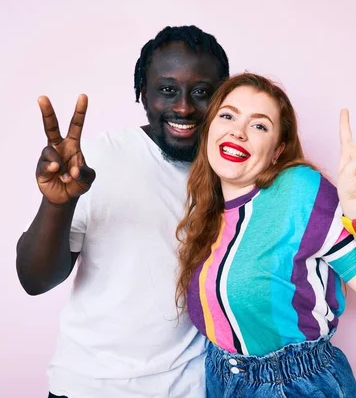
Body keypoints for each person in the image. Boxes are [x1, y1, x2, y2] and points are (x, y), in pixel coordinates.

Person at [15, 25, 230, 398]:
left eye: (201, 92)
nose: (182, 106)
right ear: (142, 93)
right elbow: (35, 280)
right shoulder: (100, 159)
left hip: (190, 388)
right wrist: (57, 203)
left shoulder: (230, 173)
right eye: (167, 89)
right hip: (90, 386)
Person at [175, 73, 356, 397]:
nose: (238, 131)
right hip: (222, 377)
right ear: (210, 128)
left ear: (276, 150)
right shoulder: (207, 210)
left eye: (259, 126)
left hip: (294, 385)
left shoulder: (299, 190)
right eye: (227, 115)